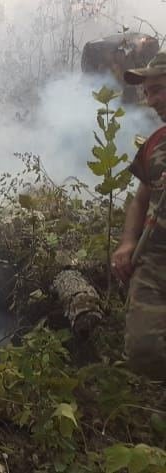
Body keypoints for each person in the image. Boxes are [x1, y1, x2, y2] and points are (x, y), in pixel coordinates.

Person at [111, 51, 166, 380]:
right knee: (144, 352)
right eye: (147, 93)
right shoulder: (155, 144)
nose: (151, 100)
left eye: (158, 89)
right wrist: (127, 242)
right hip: (155, 262)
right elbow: (141, 197)